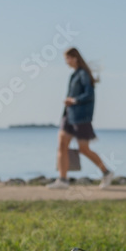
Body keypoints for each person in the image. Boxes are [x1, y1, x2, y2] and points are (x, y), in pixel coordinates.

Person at [47, 47, 114, 189]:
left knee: (83, 149)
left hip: (81, 118)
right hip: (68, 116)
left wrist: (73, 100)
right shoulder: (74, 75)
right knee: (61, 145)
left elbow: (89, 94)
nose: (66, 62)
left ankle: (106, 172)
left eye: (67, 58)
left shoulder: (83, 74)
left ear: (75, 58)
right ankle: (63, 180)